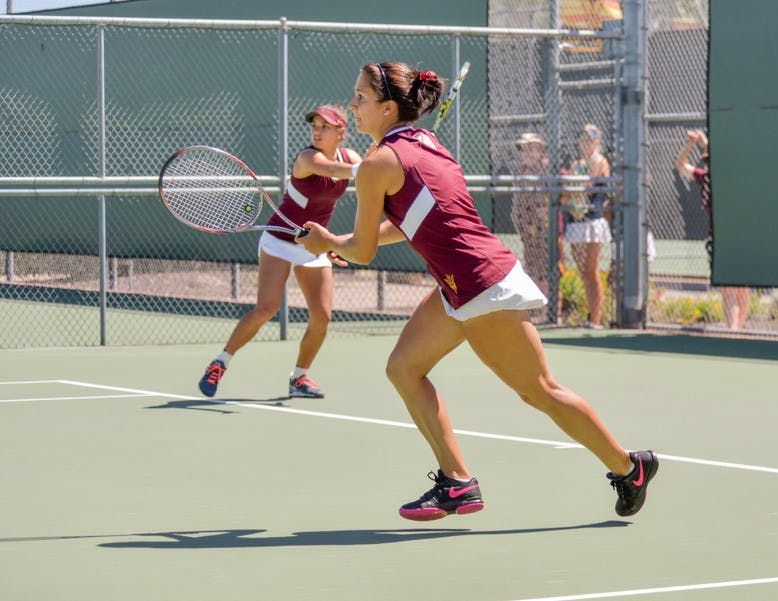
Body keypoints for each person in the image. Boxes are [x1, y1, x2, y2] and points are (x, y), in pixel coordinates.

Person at [297, 61, 658, 521]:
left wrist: (328, 242)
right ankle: (457, 482)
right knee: (404, 368)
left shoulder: (376, 164)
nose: (353, 106)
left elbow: (363, 249)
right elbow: (415, 220)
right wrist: (334, 243)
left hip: (481, 285)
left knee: (540, 391)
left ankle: (630, 469)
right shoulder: (426, 144)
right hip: (458, 284)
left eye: (361, 98)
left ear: (388, 108)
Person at [198, 105, 363, 398]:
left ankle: (299, 378)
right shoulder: (308, 158)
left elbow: (364, 174)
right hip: (280, 239)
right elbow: (334, 171)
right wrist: (366, 167)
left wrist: (331, 243)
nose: (317, 130)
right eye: (314, 125)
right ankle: (220, 363)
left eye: (325, 126)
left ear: (341, 132)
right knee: (267, 308)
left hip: (313, 243)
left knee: (322, 317)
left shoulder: (352, 158)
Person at [675, 129, 750, 330]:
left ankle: (736, 330)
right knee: (730, 286)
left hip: (737, 236)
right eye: (707, 161)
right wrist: (692, 145)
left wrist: (704, 143)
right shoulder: (706, 177)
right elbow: (680, 165)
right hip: (719, 238)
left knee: (740, 286)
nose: (708, 164)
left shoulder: (730, 179)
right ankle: (734, 330)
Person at [561, 124, 612, 329]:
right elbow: (569, 191)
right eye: (583, 139)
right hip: (576, 221)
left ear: (597, 142)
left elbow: (585, 185)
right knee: (583, 272)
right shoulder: (576, 163)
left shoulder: (600, 161)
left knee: (591, 271)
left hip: (592, 221)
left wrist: (575, 185)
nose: (586, 143)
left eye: (590, 139)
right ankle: (591, 315)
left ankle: (596, 319)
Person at [511, 132, 552, 318]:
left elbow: (546, 199)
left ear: (538, 150)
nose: (527, 152)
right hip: (527, 228)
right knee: (531, 266)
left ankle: (546, 309)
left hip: (541, 227)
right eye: (525, 148)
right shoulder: (521, 170)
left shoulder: (542, 169)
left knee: (544, 268)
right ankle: (536, 307)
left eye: (531, 148)